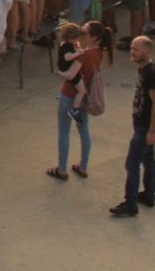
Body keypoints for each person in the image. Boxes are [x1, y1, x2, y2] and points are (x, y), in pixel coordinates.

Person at [48, 21, 111, 181]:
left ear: (93, 37)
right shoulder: (98, 53)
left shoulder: (83, 55)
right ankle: (83, 166)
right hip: (84, 97)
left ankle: (62, 169)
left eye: (85, 32)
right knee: (84, 130)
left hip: (69, 94)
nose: (81, 34)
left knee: (64, 131)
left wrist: (59, 73)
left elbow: (70, 74)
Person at [111, 36, 155, 217]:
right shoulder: (143, 70)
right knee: (148, 159)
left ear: (147, 51)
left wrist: (152, 130)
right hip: (142, 125)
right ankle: (149, 195)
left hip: (145, 127)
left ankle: (130, 203)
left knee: (132, 164)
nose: (132, 52)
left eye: (136, 49)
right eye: (132, 48)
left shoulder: (152, 73)